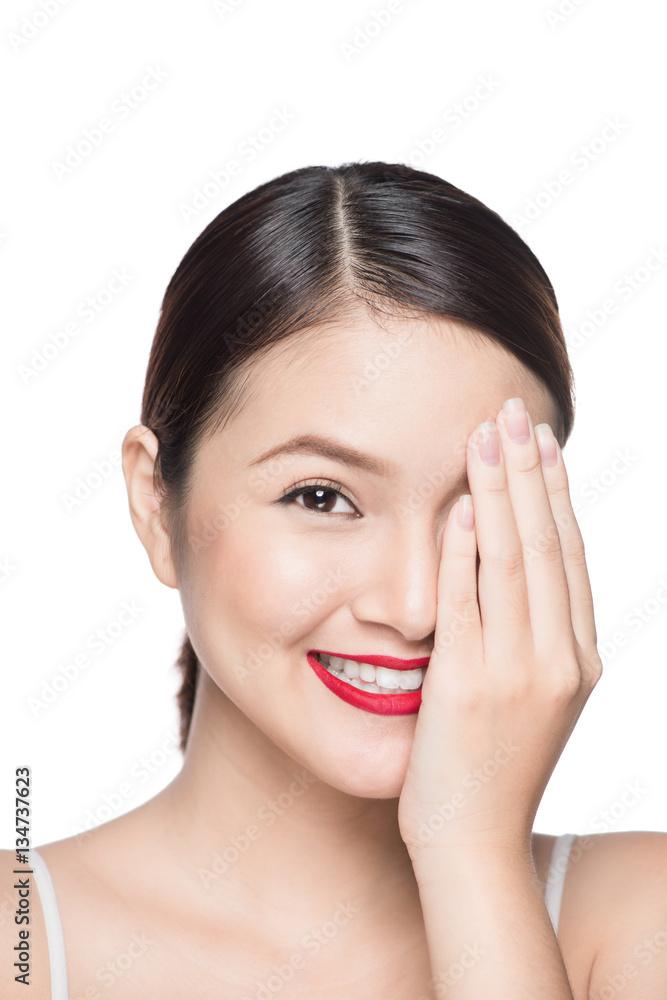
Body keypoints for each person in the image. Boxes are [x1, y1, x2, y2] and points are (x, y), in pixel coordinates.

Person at [3, 161, 666, 999]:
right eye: (321, 497)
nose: (415, 605)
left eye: (475, 511)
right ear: (154, 505)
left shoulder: (639, 923)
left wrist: (471, 853)